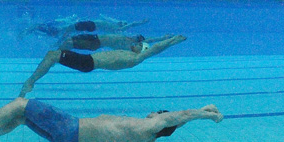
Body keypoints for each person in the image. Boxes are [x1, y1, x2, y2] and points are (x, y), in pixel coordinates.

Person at [0, 99, 223, 142]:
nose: (153, 111)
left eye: (158, 112)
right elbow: (174, 124)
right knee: (21, 120)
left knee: (21, 105)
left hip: (70, 128)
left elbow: (181, 115)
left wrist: (207, 114)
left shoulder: (149, 125)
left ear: (160, 118)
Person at [19, 34, 187, 96]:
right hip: (87, 61)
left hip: (88, 62)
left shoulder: (136, 58)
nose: (134, 44)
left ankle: (30, 82)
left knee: (52, 55)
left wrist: (171, 41)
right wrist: (160, 37)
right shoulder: (129, 52)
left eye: (137, 46)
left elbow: (154, 49)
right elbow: (148, 42)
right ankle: (35, 78)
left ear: (141, 50)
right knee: (53, 55)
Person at [25, 15, 149, 38]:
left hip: (89, 25)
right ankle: (37, 29)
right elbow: (107, 17)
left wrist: (139, 23)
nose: (121, 22)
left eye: (123, 23)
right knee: (63, 30)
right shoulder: (113, 24)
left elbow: (129, 26)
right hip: (88, 25)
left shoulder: (116, 28)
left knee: (62, 30)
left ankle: (37, 29)